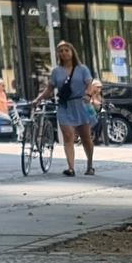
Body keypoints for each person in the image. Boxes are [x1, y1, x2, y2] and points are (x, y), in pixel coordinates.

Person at [41, 42, 99, 176]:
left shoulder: (82, 69)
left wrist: (88, 95)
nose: (64, 53)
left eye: (66, 50)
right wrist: (38, 100)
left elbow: (89, 85)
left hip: (81, 104)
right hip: (64, 105)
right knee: (68, 136)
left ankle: (90, 165)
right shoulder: (56, 72)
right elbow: (49, 89)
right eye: (61, 51)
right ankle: (71, 168)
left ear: (72, 52)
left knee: (86, 138)